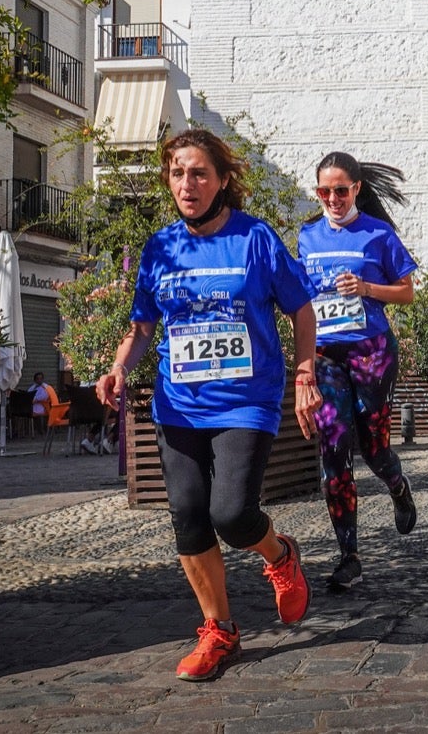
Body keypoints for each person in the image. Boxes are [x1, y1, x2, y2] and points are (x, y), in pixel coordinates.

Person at [95, 127, 318, 683]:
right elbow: (144, 325)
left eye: (198, 173)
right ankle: (219, 629)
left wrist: (305, 371)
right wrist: (121, 366)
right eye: (177, 173)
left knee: (232, 514)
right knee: (189, 515)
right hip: (179, 403)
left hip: (246, 400)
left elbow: (302, 309)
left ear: (222, 180)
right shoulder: (161, 246)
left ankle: (279, 555)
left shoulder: (256, 240)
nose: (187, 184)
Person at [297, 151, 420, 593]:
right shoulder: (307, 237)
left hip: (372, 353)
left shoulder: (378, 234)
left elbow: (406, 293)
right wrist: (303, 368)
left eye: (341, 190)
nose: (332, 198)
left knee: (373, 449)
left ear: (357, 190)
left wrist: (366, 288)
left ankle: (398, 486)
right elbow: (300, 303)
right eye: (324, 191)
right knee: (333, 450)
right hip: (327, 356)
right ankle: (349, 555)